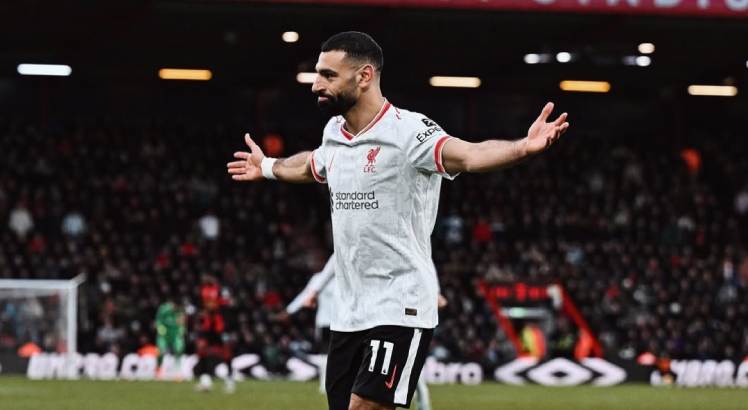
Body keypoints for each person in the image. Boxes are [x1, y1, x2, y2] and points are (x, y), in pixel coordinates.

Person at [227, 31, 569, 410]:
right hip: (350, 311)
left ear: (364, 76)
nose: (316, 85)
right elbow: (311, 164)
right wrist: (269, 166)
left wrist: (523, 146)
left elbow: (469, 155)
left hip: (400, 305)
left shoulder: (408, 131)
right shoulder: (334, 133)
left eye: (327, 75)